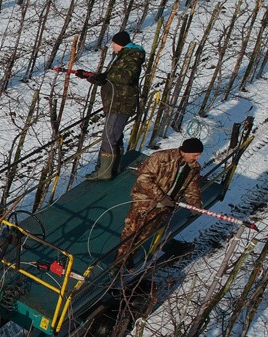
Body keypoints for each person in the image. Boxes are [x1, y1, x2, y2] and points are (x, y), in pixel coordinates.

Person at [115, 138, 204, 268]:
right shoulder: (160, 158)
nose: (197, 158)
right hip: (144, 203)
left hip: (164, 208)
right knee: (131, 233)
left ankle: (129, 259)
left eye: (199, 155)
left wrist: (196, 205)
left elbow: (192, 188)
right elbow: (143, 180)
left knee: (144, 235)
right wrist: (161, 197)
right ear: (185, 151)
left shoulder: (193, 168)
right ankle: (118, 263)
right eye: (195, 154)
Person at [76, 31, 146, 180]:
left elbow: (126, 77)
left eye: (113, 43)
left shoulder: (132, 57)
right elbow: (110, 79)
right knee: (114, 136)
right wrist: (89, 76)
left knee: (109, 136)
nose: (112, 46)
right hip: (116, 102)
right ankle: (113, 168)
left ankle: (104, 171)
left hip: (121, 103)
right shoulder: (124, 57)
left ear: (119, 44)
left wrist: (105, 76)